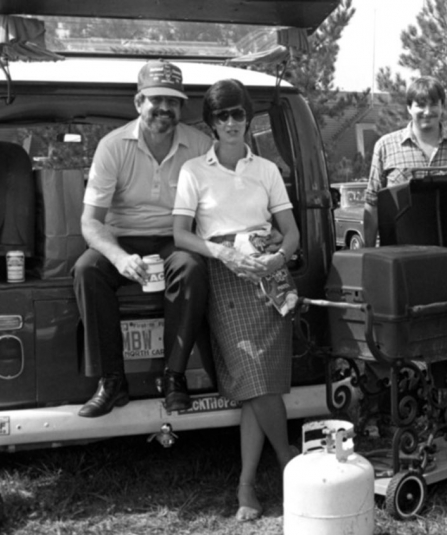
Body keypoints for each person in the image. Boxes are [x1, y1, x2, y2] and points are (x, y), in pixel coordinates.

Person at [172, 79, 299, 523]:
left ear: (248, 119)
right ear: (210, 123)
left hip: (268, 278)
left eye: (238, 114)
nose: (231, 123)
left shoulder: (265, 170)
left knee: (256, 388)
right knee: (253, 372)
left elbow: (292, 229)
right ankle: (289, 462)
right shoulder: (193, 171)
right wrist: (222, 252)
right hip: (224, 278)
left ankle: (246, 483)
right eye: (222, 116)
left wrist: (277, 258)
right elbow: (181, 233)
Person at [74, 60, 212, 417]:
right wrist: (119, 258)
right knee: (87, 270)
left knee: (192, 269)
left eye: (174, 101)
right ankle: (112, 381)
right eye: (156, 99)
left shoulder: (200, 145)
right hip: (122, 239)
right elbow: (90, 223)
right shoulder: (112, 146)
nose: (164, 108)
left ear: (182, 107)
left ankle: (174, 378)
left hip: (175, 238)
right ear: (139, 103)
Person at [363, 76, 447, 248]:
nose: (427, 111)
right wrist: (368, 251)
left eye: (433, 104)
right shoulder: (385, 146)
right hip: (399, 253)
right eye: (420, 105)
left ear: (442, 107)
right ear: (409, 107)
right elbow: (372, 201)